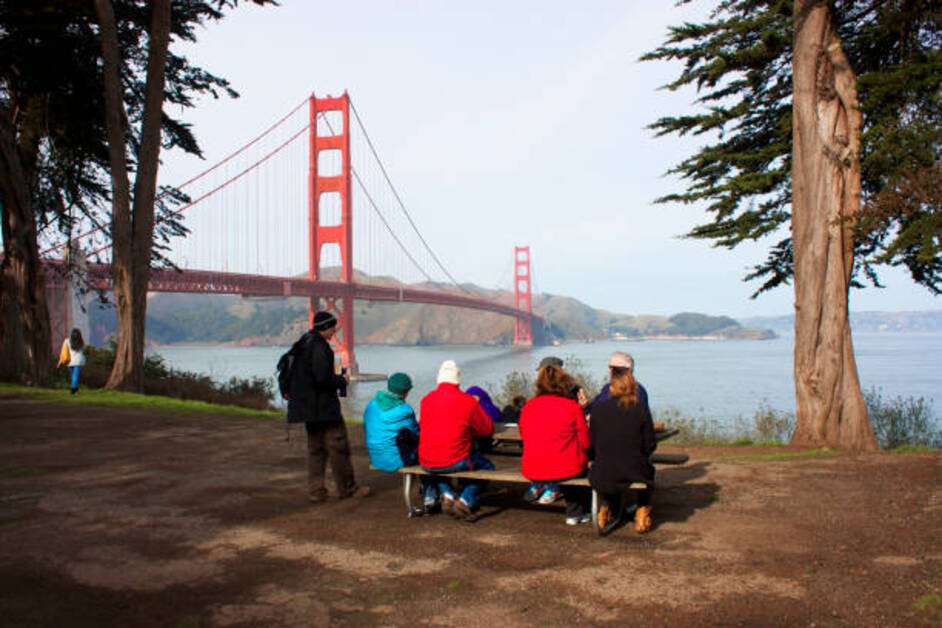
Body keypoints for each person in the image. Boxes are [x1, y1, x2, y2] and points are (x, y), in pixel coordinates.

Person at [286, 311, 370, 503]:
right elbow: (322, 379)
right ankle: (348, 488)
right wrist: (342, 380)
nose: (334, 331)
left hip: (308, 409)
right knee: (338, 447)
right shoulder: (320, 347)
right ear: (325, 327)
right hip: (324, 409)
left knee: (316, 450)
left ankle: (316, 491)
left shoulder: (304, 342)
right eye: (333, 327)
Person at [418, 360, 495, 521]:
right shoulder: (467, 401)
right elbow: (486, 430)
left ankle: (447, 494)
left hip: (425, 461)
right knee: (488, 467)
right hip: (455, 460)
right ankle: (466, 500)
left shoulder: (426, 400)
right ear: (458, 380)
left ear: (439, 379)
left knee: (438, 463)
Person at [588, 360, 657, 534]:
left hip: (602, 472)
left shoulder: (597, 409)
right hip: (634, 470)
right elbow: (650, 444)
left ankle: (606, 507)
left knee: (610, 468)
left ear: (612, 388)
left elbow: (592, 443)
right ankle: (642, 511)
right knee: (649, 471)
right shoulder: (640, 408)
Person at [519, 364, 592, 525]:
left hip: (533, 469)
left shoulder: (528, 407)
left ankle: (575, 513)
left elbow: (523, 435)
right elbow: (586, 442)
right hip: (564, 468)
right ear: (563, 383)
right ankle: (577, 512)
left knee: (568, 464)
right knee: (580, 468)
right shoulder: (572, 407)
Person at [57, 328, 86, 394]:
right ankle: (74, 390)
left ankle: (74, 390)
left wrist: (60, 361)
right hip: (78, 361)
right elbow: (83, 351)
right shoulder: (81, 342)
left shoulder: (67, 341)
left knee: (73, 376)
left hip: (69, 361)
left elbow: (63, 352)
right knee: (75, 376)